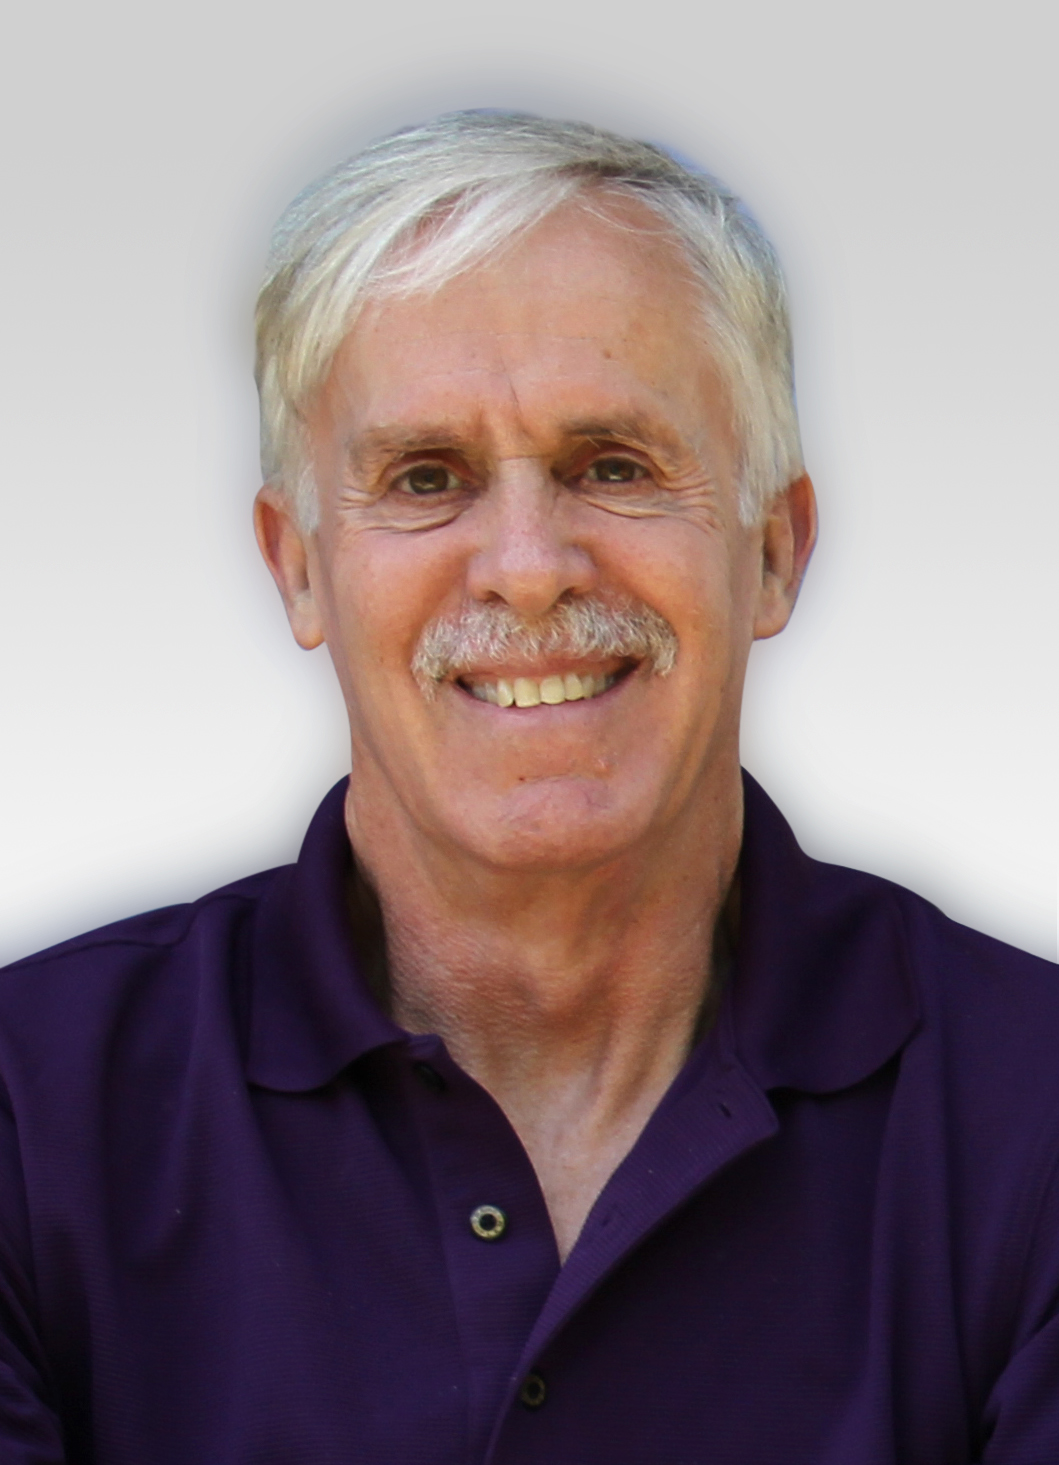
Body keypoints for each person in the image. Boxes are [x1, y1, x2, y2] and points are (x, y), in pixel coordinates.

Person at [0, 110, 1055, 1465]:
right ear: (298, 568)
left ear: (775, 550)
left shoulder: (1034, 1112)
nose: (529, 568)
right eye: (424, 478)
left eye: (612, 466)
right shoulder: (31, 1111)